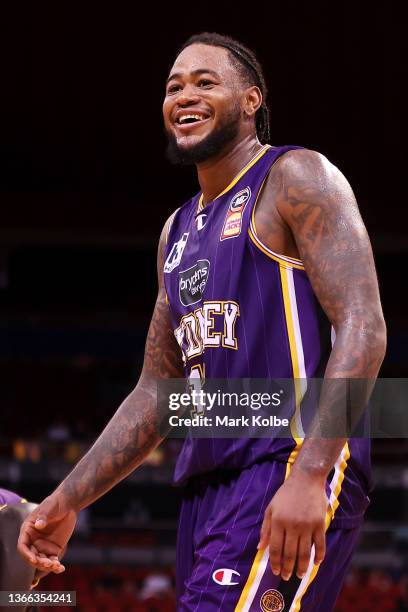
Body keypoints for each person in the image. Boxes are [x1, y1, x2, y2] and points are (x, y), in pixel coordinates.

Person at [18, 32, 386, 611]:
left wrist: (312, 473)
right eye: (173, 86)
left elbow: (364, 324)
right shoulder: (176, 232)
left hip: (286, 459)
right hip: (207, 486)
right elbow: (156, 396)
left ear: (251, 101)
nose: (183, 94)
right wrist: (66, 500)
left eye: (204, 81)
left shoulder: (295, 176)